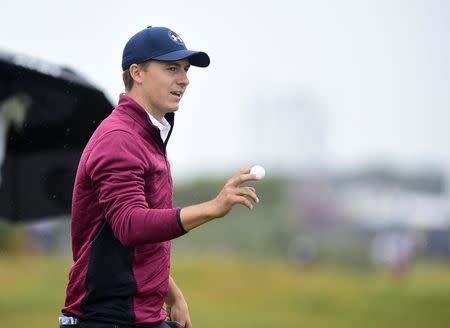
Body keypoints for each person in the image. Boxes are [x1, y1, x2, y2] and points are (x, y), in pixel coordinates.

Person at [60, 26, 260, 328]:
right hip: (104, 319)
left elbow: (137, 244)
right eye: (171, 69)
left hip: (140, 317)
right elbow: (130, 225)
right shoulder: (120, 138)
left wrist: (172, 294)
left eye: (185, 69)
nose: (184, 79)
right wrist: (212, 208)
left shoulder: (146, 136)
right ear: (137, 73)